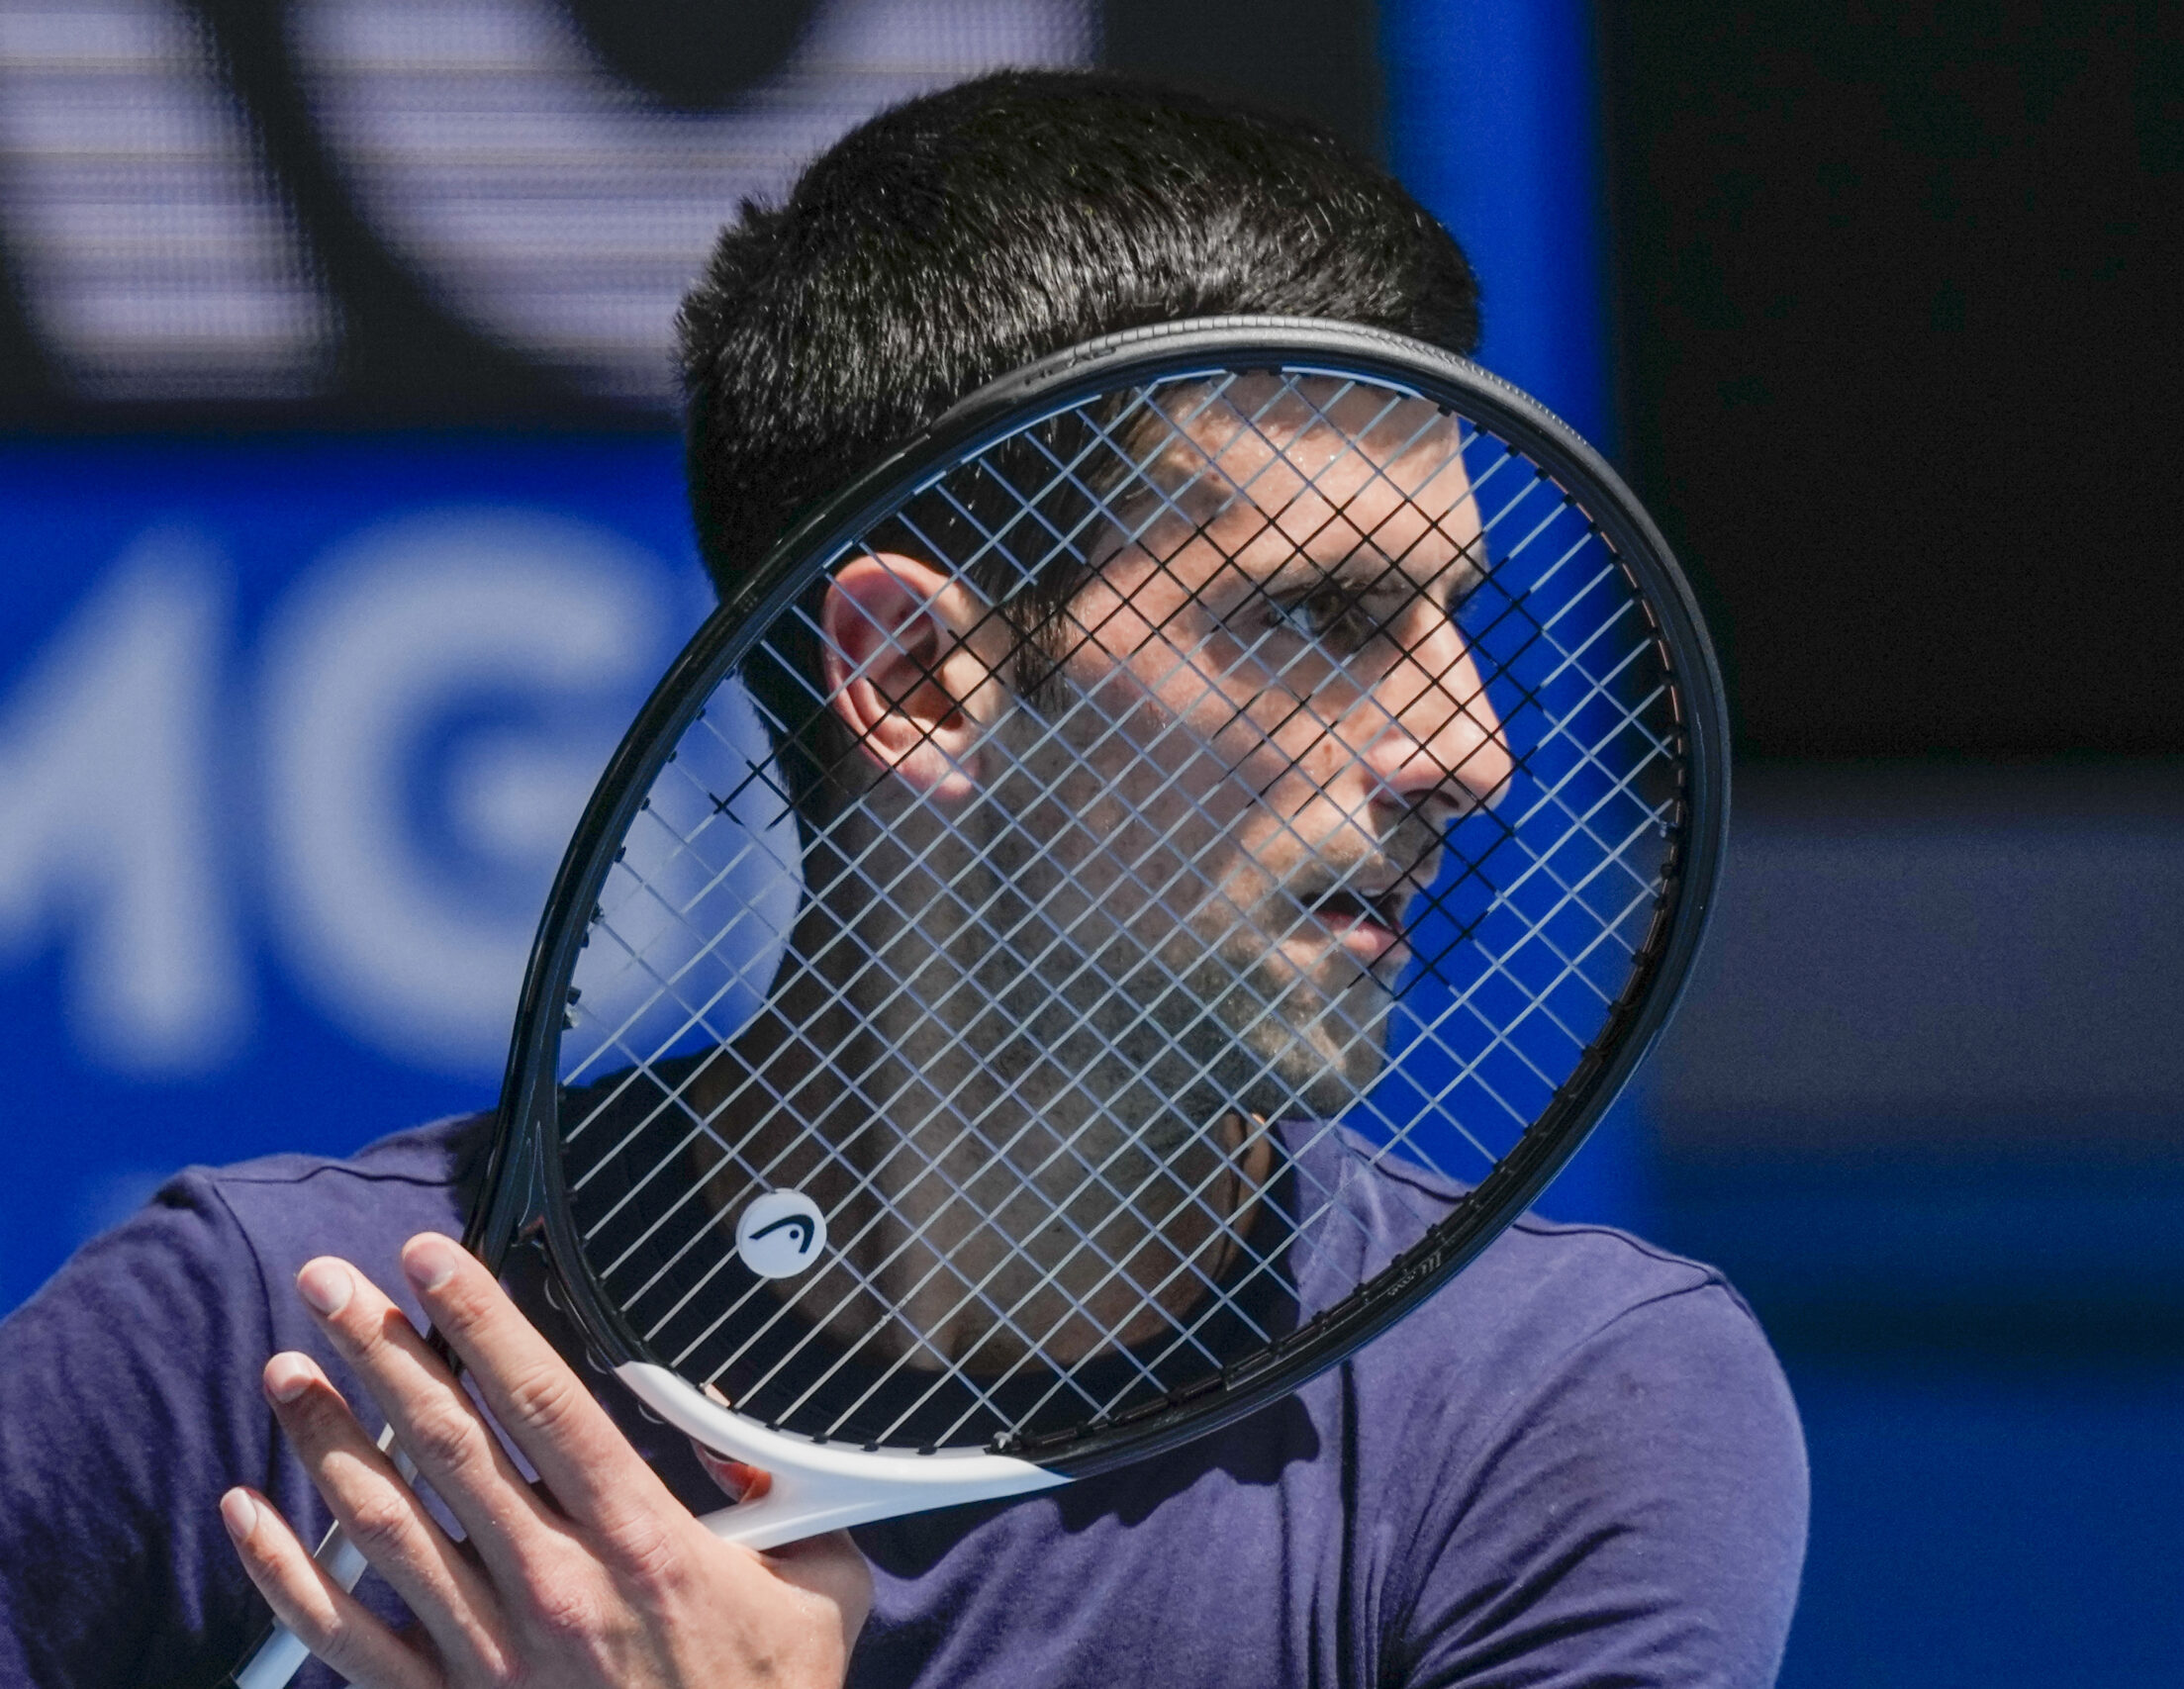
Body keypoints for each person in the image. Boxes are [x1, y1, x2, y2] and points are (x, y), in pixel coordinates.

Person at [0, 71, 1807, 1689]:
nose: (1465, 749)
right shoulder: (242, 1344)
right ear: (921, 681)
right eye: (1319, 620)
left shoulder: (1561, 1415)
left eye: (1452, 619)